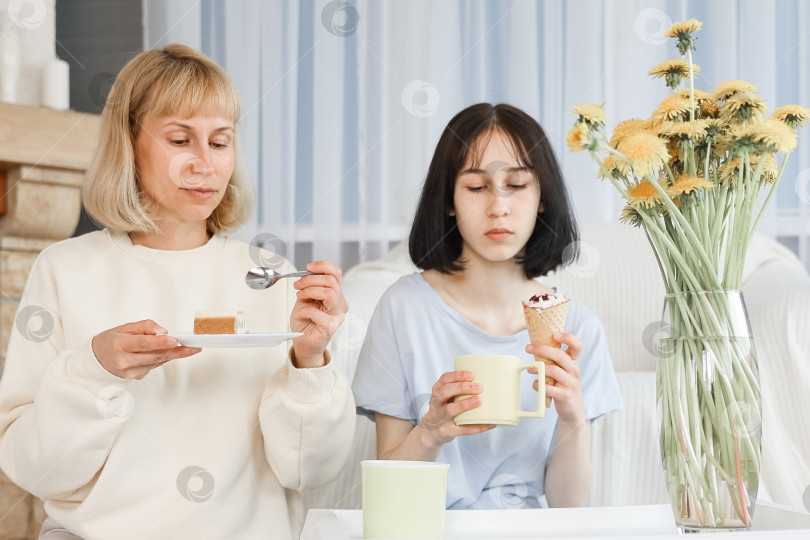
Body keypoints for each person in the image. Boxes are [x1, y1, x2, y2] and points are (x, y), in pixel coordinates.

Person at [0, 45, 354, 540]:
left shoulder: (270, 277)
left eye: (220, 141)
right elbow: (35, 473)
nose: (204, 164)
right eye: (180, 139)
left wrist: (309, 362)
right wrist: (92, 370)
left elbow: (309, 472)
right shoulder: (64, 270)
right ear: (129, 145)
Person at [351, 103, 622, 510]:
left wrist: (573, 419)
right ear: (449, 201)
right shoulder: (402, 310)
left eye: (517, 185)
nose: (498, 206)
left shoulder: (576, 326)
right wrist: (431, 431)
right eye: (476, 188)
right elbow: (387, 496)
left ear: (542, 198)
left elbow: (568, 505)